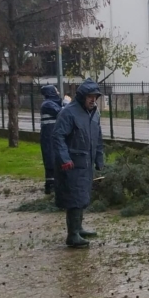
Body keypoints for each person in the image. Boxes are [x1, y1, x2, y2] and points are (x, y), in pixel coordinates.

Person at [52, 78, 104, 249]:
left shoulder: (94, 114)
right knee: (74, 197)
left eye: (95, 97)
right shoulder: (68, 113)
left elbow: (98, 138)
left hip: (86, 162)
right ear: (82, 96)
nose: (93, 100)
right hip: (73, 163)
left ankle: (78, 227)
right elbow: (58, 137)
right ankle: (72, 234)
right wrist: (65, 159)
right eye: (90, 96)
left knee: (82, 196)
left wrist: (99, 158)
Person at [39, 85, 63, 194]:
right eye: (56, 90)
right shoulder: (47, 104)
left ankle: (55, 184)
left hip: (52, 136)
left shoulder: (50, 103)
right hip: (48, 137)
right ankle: (51, 186)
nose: (58, 92)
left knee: (55, 159)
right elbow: (61, 113)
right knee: (50, 160)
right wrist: (67, 103)